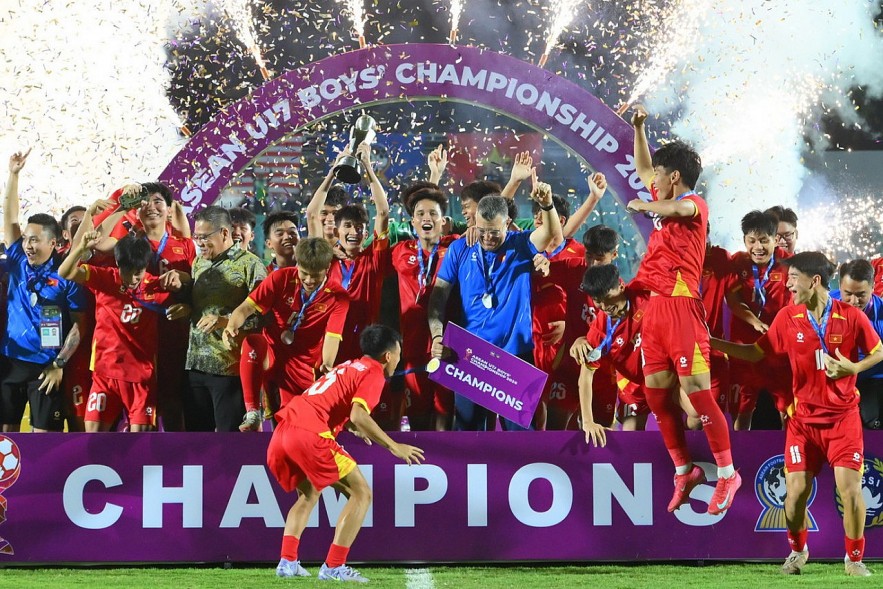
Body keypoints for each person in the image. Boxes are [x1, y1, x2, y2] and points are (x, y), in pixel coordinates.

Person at [711, 252, 881, 577]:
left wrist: (853, 367)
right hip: (802, 423)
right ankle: (798, 550)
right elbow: (755, 352)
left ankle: (854, 560)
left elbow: (879, 351)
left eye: (793, 278)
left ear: (813, 281)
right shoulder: (787, 317)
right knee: (794, 495)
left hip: (842, 420)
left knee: (851, 490)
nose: (787, 284)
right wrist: (712, 342)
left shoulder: (851, 316)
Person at [626, 106, 739, 515]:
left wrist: (645, 206)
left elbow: (677, 210)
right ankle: (684, 469)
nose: (650, 180)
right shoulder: (662, 190)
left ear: (674, 176)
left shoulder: (694, 203)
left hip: (682, 307)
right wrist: (639, 127)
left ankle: (727, 473)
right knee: (656, 394)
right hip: (654, 310)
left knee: (697, 392)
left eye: (658, 174)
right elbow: (642, 166)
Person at [268, 325, 424, 582]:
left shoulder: (349, 365)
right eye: (398, 352)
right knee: (361, 493)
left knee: (308, 494)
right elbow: (358, 414)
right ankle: (334, 566)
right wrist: (395, 447)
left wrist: (351, 427)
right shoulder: (374, 373)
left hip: (283, 431)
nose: (399, 358)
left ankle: (287, 561)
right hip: (309, 433)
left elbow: (336, 405)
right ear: (387, 355)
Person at [428, 181, 561, 431]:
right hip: (469, 356)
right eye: (482, 230)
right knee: (469, 438)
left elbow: (551, 233)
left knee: (521, 439)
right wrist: (437, 334)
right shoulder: (460, 248)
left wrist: (547, 205)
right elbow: (438, 298)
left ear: (507, 223)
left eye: (494, 232)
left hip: (515, 357)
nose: (487, 238)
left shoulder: (521, 245)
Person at [59, 231, 182, 431]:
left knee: (140, 442)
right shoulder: (104, 278)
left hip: (141, 378)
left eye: (139, 271)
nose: (134, 278)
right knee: (93, 436)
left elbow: (186, 301)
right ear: (117, 263)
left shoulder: (155, 285)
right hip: (104, 373)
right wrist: (80, 248)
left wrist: (183, 298)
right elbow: (65, 273)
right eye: (128, 271)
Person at [224, 238, 349, 431]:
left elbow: (333, 336)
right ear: (297, 264)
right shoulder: (279, 278)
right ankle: (252, 413)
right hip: (272, 354)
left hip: (303, 365)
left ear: (327, 268)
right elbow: (245, 309)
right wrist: (231, 326)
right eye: (304, 273)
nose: (308, 280)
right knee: (253, 342)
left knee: (290, 427)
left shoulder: (338, 296)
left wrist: (327, 363)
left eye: (315, 275)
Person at [1, 149, 86, 432]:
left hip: (46, 367)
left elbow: (80, 326)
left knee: (43, 439)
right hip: (11, 363)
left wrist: (58, 363)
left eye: (35, 240)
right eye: (26, 239)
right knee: (6, 438)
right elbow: (10, 219)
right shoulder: (16, 261)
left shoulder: (68, 275)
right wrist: (13, 175)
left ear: (53, 243)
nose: (27, 245)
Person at [185, 206, 267, 432]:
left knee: (228, 445)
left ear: (224, 233)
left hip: (229, 370)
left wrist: (225, 320)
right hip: (194, 366)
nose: (199, 243)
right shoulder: (198, 263)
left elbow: (263, 316)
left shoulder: (251, 265)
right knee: (195, 444)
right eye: (196, 237)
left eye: (204, 237)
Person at [390, 187, 457, 430]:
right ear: (412, 221)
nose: (426, 218)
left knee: (444, 420)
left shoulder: (457, 248)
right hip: (414, 348)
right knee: (417, 419)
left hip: (450, 349)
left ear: (444, 221)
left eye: (433, 213)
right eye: (420, 214)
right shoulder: (400, 251)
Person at [724, 210, 793, 430]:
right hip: (744, 347)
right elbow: (733, 300)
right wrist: (753, 321)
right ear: (744, 240)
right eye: (752, 241)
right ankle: (741, 459)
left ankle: (791, 458)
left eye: (764, 241)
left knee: (787, 410)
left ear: (775, 239)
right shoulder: (738, 262)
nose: (758, 247)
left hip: (779, 347)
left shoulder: (790, 263)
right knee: (743, 409)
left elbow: (796, 303)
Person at [832, 259, 883, 429]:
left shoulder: (881, 313)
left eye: (861, 294)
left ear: (873, 287)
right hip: (833, 378)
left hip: (871, 378)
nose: (854, 301)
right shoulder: (825, 306)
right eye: (848, 293)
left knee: (871, 421)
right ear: (839, 286)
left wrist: (855, 368)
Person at [306, 150, 352, 244]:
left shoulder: (353, 249)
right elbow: (312, 214)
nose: (330, 218)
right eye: (324, 213)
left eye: (335, 213)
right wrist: (333, 172)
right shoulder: (312, 248)